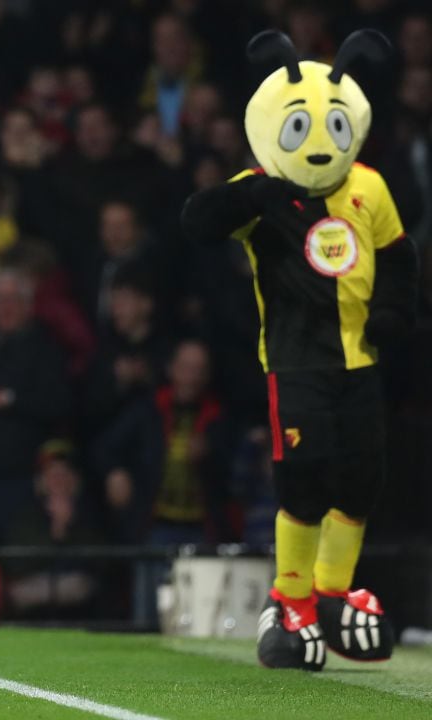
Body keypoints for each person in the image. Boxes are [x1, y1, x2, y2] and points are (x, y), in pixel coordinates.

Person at [181, 31, 416, 670]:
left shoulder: (368, 185)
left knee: (363, 480)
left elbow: (398, 255)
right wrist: (247, 194)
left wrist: (395, 312)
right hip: (297, 361)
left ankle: (334, 593)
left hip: (362, 361)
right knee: (305, 483)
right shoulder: (264, 188)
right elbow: (198, 223)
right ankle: (290, 601)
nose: (318, 143)